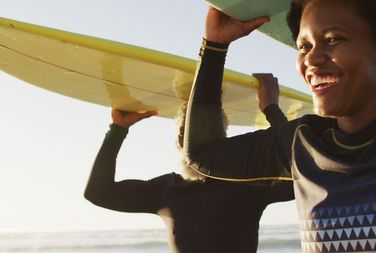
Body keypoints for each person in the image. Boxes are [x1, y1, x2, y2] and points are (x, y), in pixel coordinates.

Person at [183, 0, 376, 252]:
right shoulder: (304, 144)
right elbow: (202, 156)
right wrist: (215, 46)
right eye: (303, 46)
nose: (311, 58)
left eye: (333, 39)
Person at [84, 74, 294, 253]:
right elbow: (98, 192)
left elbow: (303, 175)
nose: (196, 142)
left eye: (208, 134)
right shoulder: (165, 190)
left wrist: (272, 109)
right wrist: (118, 130)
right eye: (187, 135)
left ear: (223, 139)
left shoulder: (247, 183)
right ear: (179, 140)